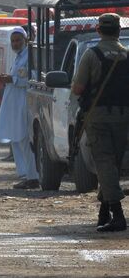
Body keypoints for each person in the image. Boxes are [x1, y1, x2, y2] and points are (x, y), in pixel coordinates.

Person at [72, 13, 129, 232]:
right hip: (123, 116)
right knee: (112, 164)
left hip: (98, 116)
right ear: (119, 31)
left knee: (104, 163)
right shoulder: (126, 55)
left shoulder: (91, 54)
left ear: (98, 30)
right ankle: (104, 212)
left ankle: (118, 214)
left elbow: (78, 89)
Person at [0, 28, 38, 189]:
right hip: (15, 103)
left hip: (24, 103)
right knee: (17, 139)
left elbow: (32, 77)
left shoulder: (30, 56)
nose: (15, 43)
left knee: (25, 139)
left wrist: (12, 79)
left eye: (18, 40)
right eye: (13, 41)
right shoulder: (19, 57)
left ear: (25, 40)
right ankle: (26, 174)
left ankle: (33, 176)